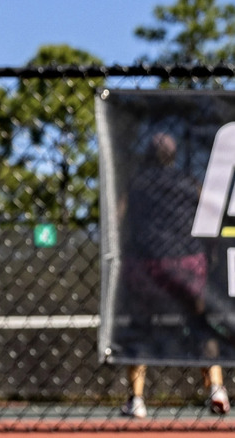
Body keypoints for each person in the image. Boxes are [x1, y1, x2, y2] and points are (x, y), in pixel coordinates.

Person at [118, 133, 230, 418]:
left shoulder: (137, 185)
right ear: (174, 157)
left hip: (146, 265)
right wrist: (208, 255)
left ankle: (137, 399)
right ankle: (216, 387)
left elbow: (119, 219)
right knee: (199, 322)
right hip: (187, 264)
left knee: (139, 325)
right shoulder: (189, 183)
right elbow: (211, 217)